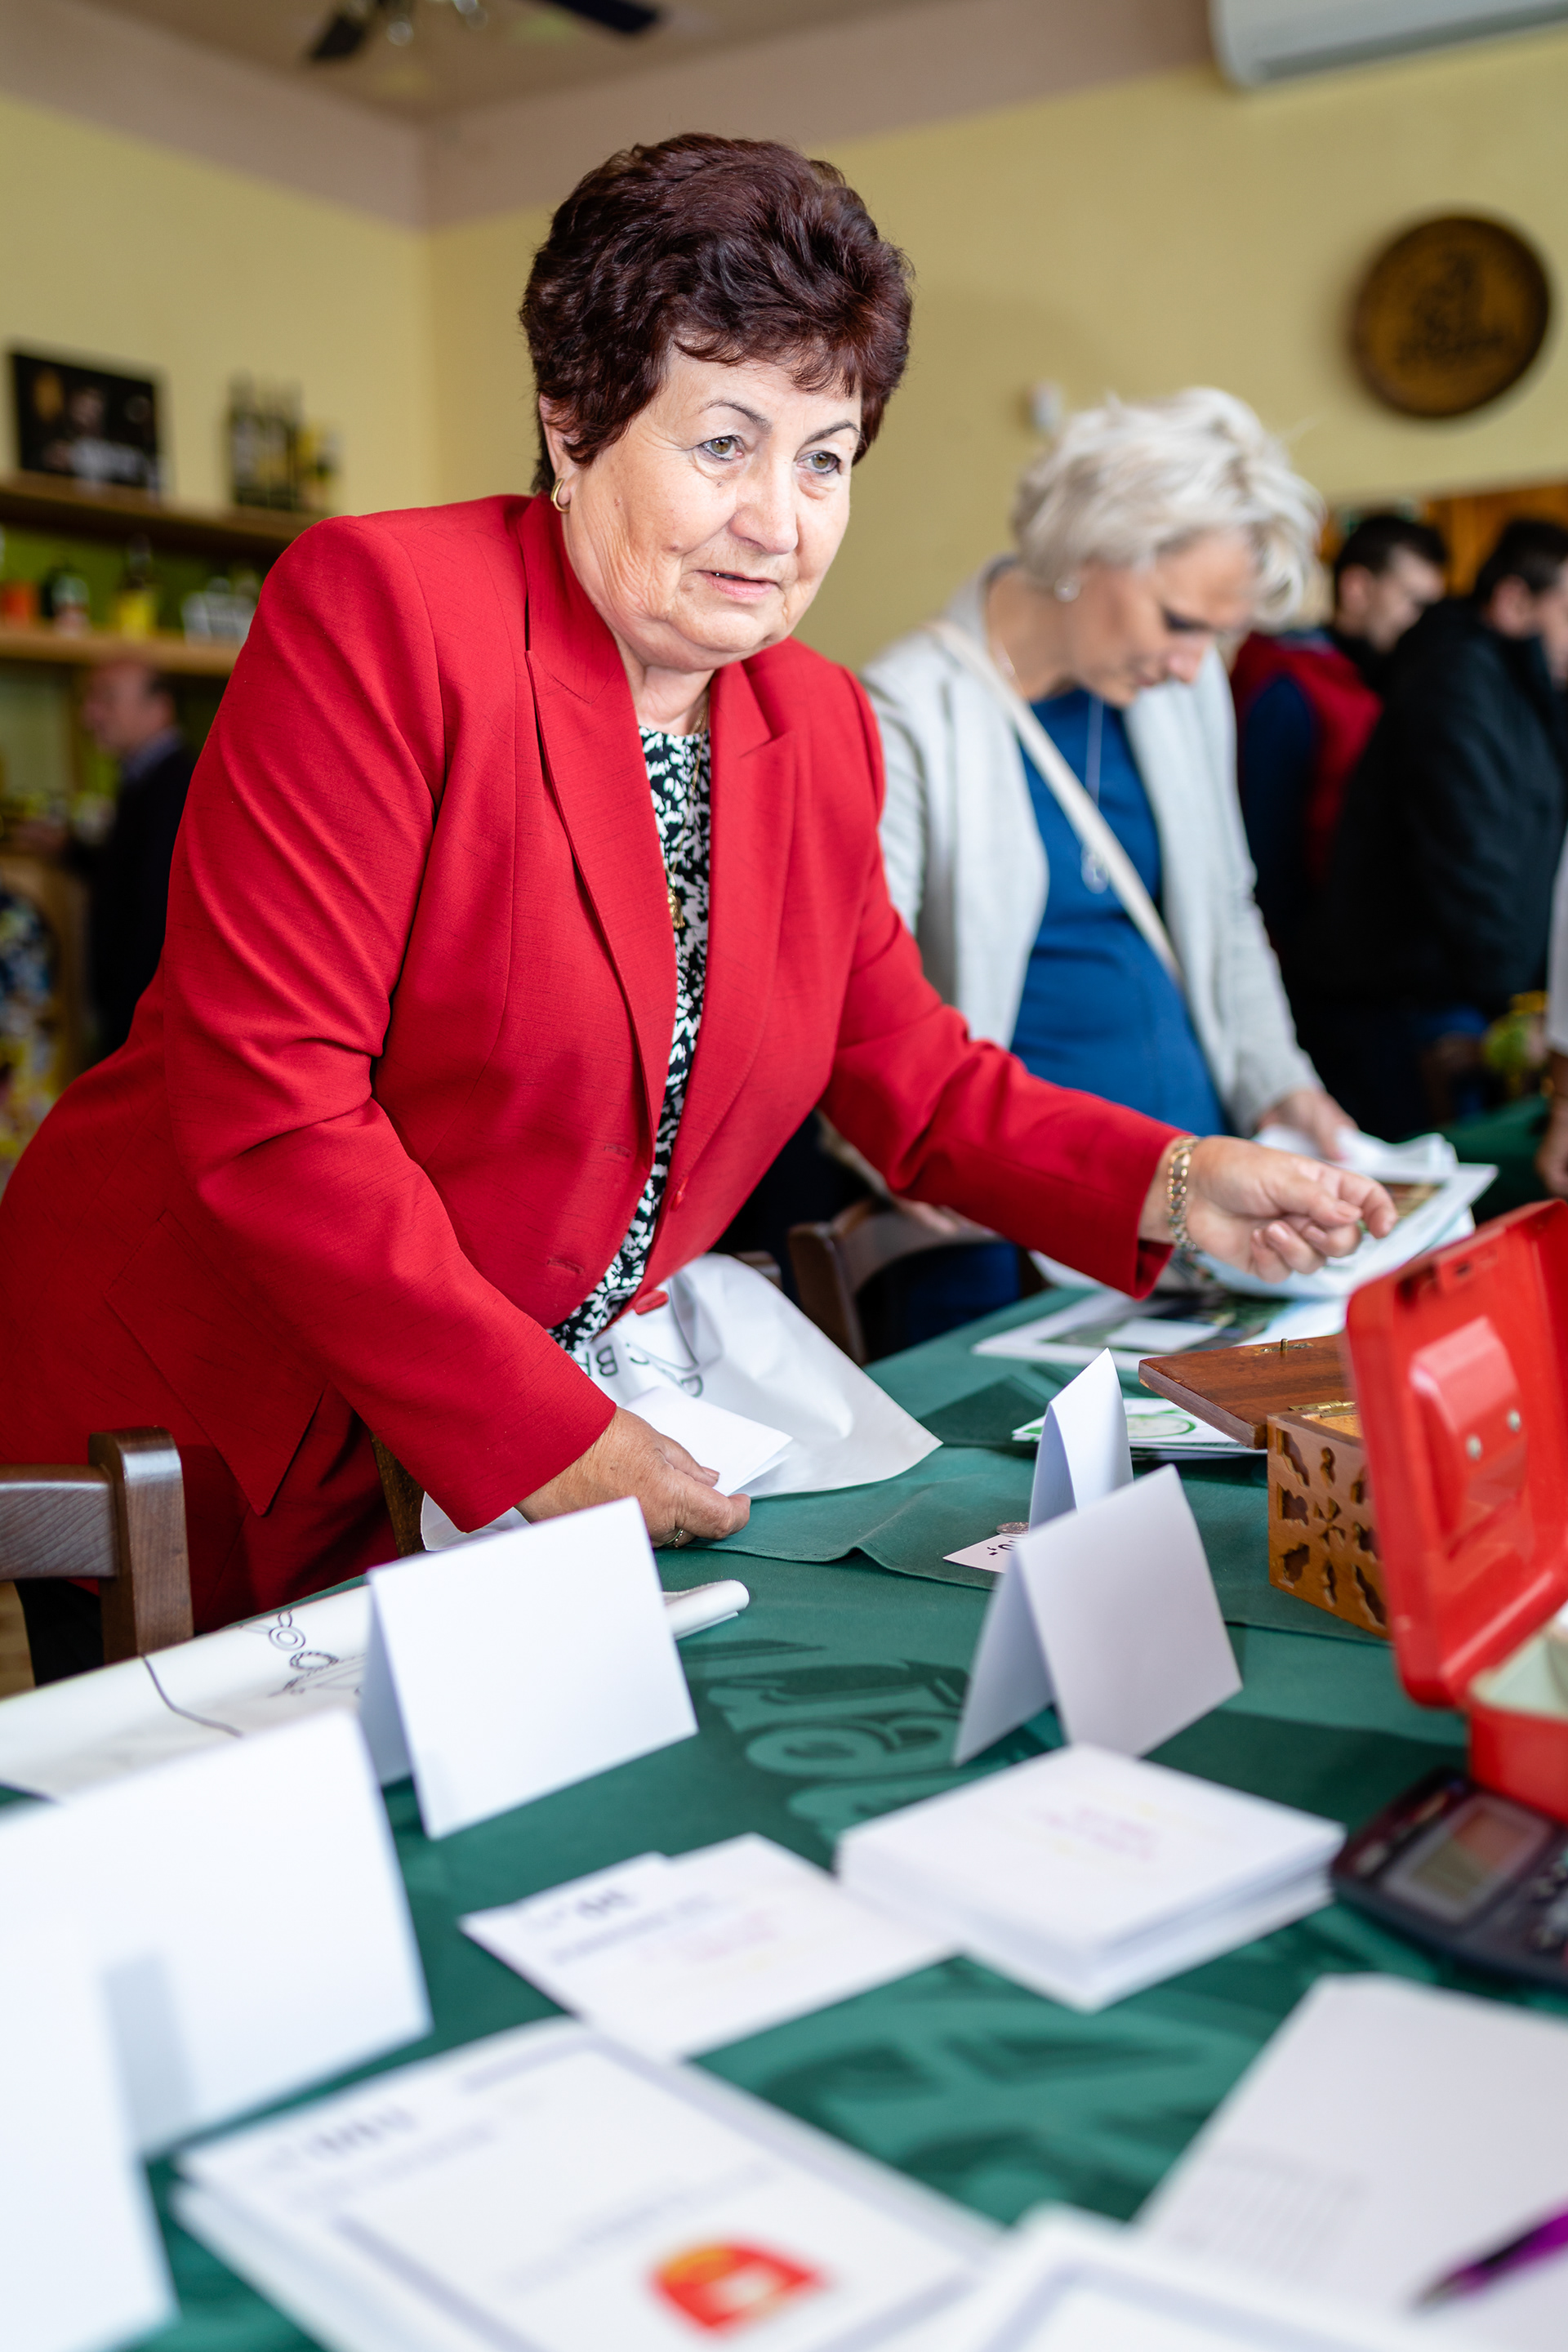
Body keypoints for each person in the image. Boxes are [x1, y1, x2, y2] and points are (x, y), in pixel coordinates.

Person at [0, 137, 1391, 1682]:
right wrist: (547, 1432)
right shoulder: (389, 615)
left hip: (531, 1408)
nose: (779, 521)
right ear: (574, 419)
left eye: (825, 458)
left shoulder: (818, 724)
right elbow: (278, 1106)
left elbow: (910, 1075)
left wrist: (1181, 1181)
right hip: (229, 1399)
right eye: (725, 443)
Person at [865, 390, 1348, 1178]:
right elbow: (872, 997)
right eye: (1180, 622)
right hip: (1016, 1189)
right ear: (1087, 549)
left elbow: (1226, 909)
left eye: (1217, 635)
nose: (1194, 666)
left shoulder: (1179, 690)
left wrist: (1280, 1084)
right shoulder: (910, 709)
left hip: (1199, 1166)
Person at [1317, 518, 1568, 1139]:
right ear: (1515, 602)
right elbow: (1470, 852)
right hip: (1418, 1008)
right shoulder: (1457, 679)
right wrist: (1523, 1004)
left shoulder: (1525, 690)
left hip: (1469, 995)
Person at [1232, 514, 1446, 972]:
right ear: (1357, 588)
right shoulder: (1292, 690)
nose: (1423, 623)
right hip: (1320, 964)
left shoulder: (1390, 682)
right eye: (1413, 602)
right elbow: (1268, 850)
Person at [12, 659, 194, 1059]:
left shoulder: (175, 786)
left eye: (106, 699)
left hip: (148, 1021)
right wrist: (69, 850)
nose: (89, 715)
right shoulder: (144, 779)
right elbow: (129, 876)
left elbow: (155, 907)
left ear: (159, 708)